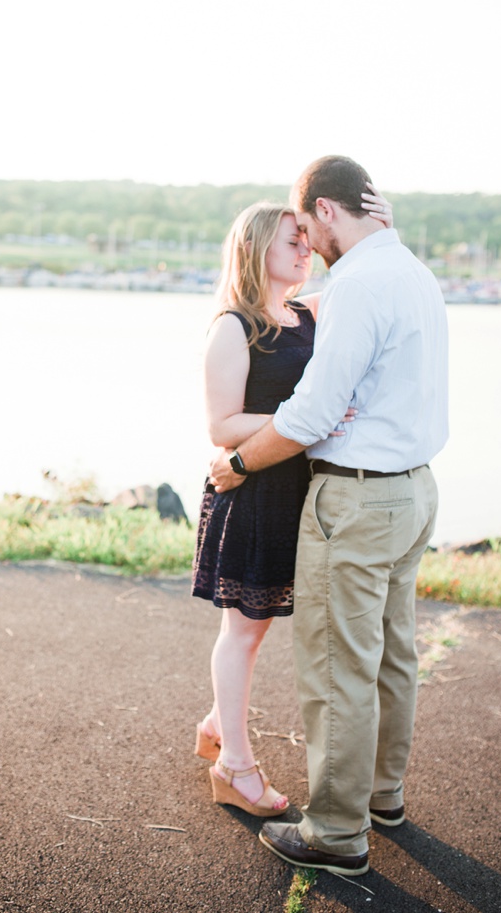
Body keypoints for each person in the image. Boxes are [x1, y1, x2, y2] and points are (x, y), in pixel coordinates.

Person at [207, 155, 447, 878]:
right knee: (393, 654)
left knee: (340, 666)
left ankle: (337, 831)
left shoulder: (359, 285)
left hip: (359, 497)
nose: (312, 245)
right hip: (414, 491)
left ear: (328, 211)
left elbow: (309, 413)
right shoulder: (412, 273)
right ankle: (382, 796)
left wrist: (241, 464)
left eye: (311, 228)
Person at [190, 194, 389, 818]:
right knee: (243, 634)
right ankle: (234, 767)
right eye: (292, 242)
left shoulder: (306, 312)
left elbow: (367, 275)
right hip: (249, 494)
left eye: (307, 240)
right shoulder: (233, 326)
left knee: (259, 631)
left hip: (295, 494)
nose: (306, 250)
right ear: (255, 250)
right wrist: (307, 420)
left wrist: (384, 230)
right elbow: (222, 426)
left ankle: (216, 725)